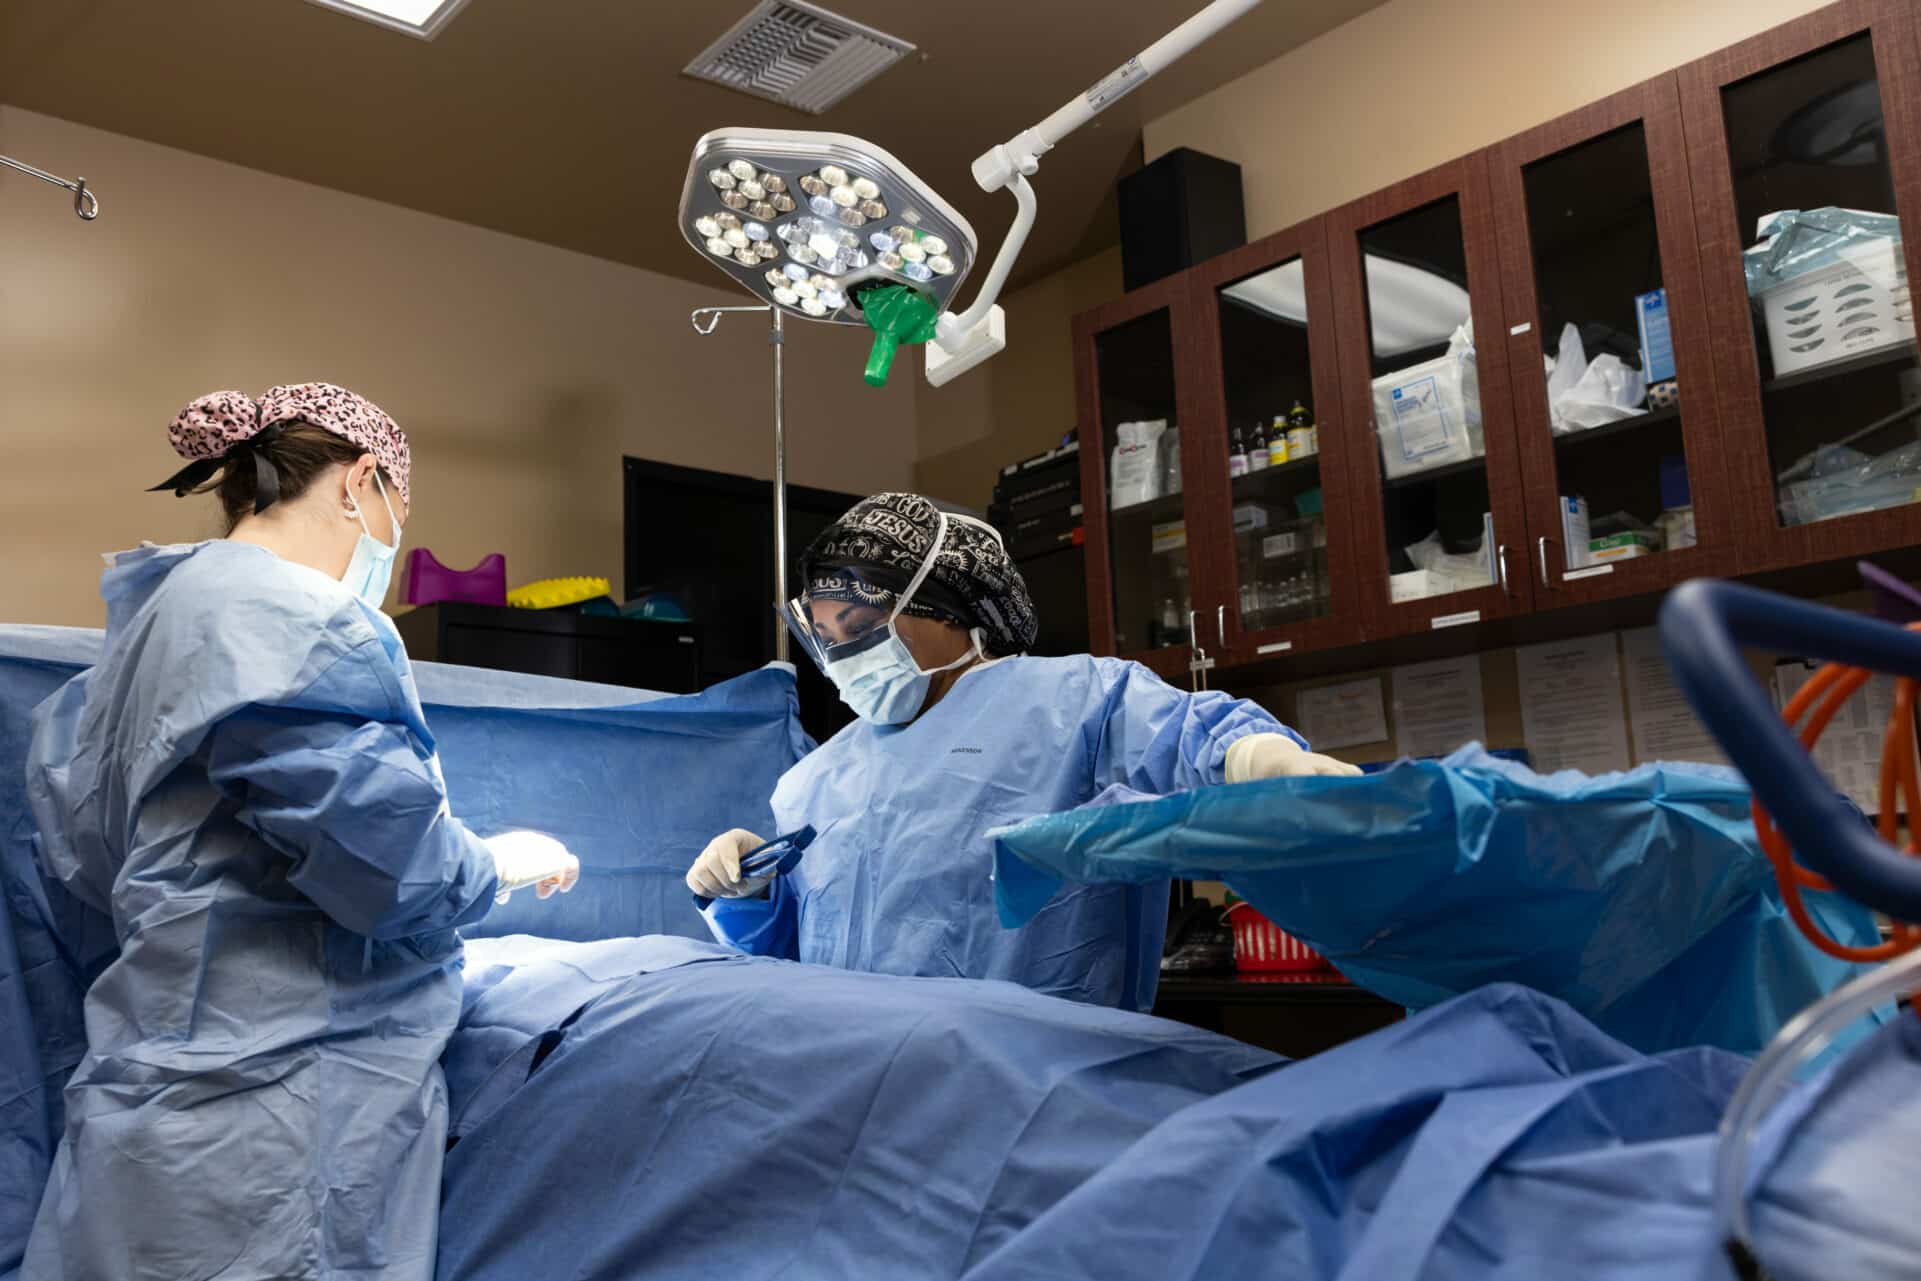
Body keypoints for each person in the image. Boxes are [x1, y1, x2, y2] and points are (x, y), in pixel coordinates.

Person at [22, 384, 580, 1281]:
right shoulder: (288, 616)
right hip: (271, 1125)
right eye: (398, 512)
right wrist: (501, 861)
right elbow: (389, 872)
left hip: (147, 1095)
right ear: (363, 481)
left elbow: (86, 855)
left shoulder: (150, 629)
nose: (390, 546)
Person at [686, 491, 1356, 1010]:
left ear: (951, 610)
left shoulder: (1075, 702)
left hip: (1033, 1085)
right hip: (858, 1084)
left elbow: (1188, 740)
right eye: (828, 637)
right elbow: (791, 964)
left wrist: (1262, 760)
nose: (844, 655)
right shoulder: (813, 779)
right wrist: (752, 893)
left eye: (862, 626)